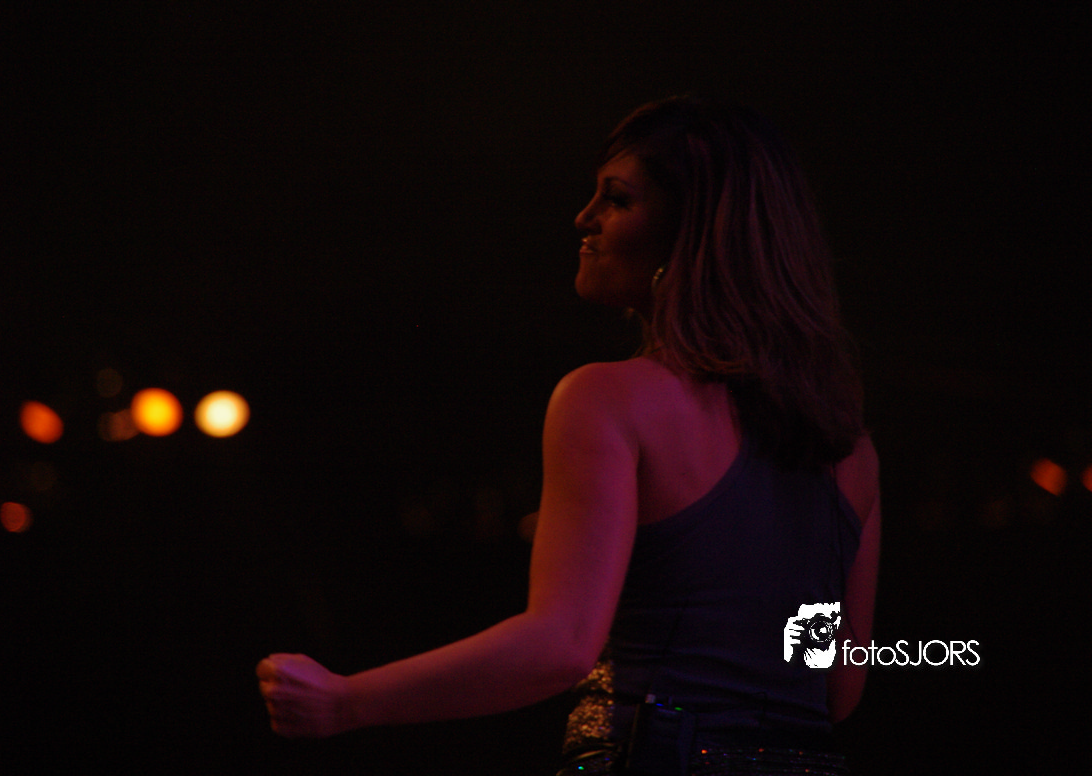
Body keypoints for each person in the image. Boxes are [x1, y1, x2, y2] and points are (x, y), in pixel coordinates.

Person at [257, 95, 881, 776]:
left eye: (616, 199)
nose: (584, 218)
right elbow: (838, 687)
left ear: (690, 232)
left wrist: (346, 702)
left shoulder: (609, 400)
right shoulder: (849, 448)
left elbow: (560, 645)